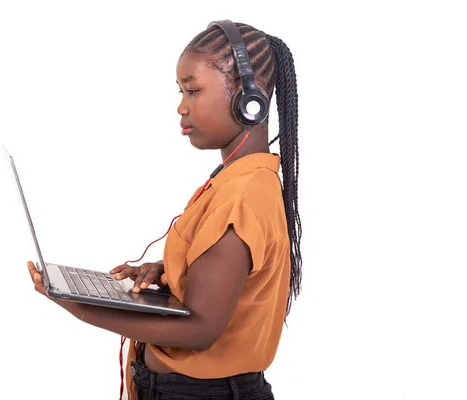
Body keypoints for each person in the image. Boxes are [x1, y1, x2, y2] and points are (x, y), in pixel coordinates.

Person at [27, 19, 302, 400]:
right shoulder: (240, 180)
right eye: (181, 91)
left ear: (247, 98)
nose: (181, 106)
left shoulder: (240, 195)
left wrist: (80, 307)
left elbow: (201, 330)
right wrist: (173, 273)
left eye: (193, 90)